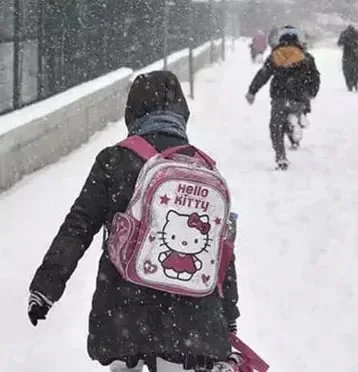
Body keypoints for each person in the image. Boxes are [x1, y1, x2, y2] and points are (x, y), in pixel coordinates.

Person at [26, 71, 241, 371]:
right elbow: (221, 251)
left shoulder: (114, 160)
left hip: (122, 306)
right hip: (189, 319)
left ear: (132, 111)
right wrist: (228, 314)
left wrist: (45, 288)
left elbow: (79, 226)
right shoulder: (204, 168)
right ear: (182, 112)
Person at [245, 25, 321, 170]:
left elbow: (263, 75)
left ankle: (281, 157)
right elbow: (315, 78)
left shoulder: (275, 55)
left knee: (276, 127)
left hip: (279, 97)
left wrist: (252, 91)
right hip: (299, 98)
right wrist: (311, 93)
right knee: (294, 115)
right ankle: (296, 123)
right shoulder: (306, 57)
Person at [337, 25, 358, 92]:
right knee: (355, 70)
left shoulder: (344, 33)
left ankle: (349, 84)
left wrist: (346, 43)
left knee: (347, 70)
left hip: (346, 55)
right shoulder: (357, 33)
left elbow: (339, 43)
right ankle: (355, 83)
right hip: (355, 55)